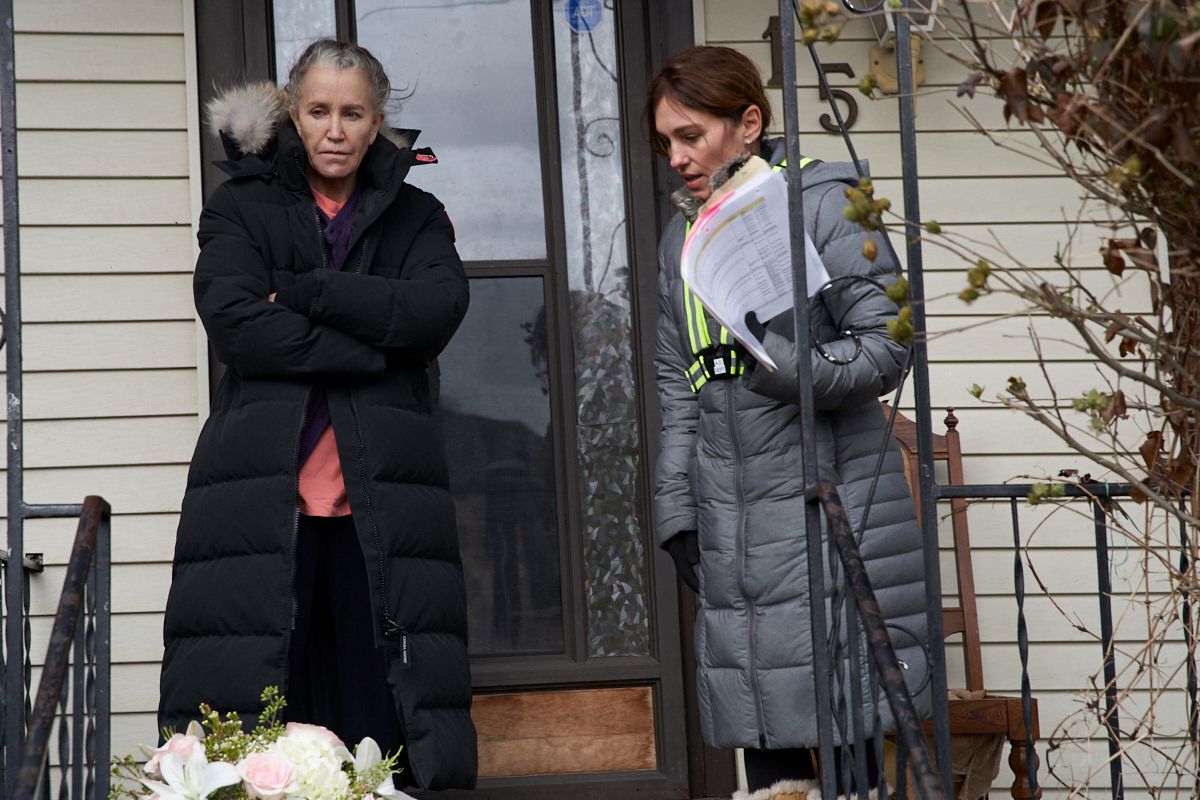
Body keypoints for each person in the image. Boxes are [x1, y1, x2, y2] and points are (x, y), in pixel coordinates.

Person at [157, 39, 477, 790]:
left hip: (382, 511)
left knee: (381, 727)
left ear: (377, 122)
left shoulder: (417, 216)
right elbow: (237, 324)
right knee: (256, 725)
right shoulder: (240, 207)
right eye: (319, 111)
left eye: (353, 113)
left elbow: (434, 311)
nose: (335, 130)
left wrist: (307, 292)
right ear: (294, 116)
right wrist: (373, 350)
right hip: (261, 506)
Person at [646, 46, 930, 794]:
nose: (675, 158)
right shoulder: (682, 237)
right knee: (765, 740)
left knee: (848, 739)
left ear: (749, 123)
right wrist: (676, 511)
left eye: (690, 136)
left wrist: (771, 360)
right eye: (666, 142)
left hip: (828, 509)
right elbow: (679, 383)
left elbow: (887, 347)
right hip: (730, 527)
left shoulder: (823, 201)